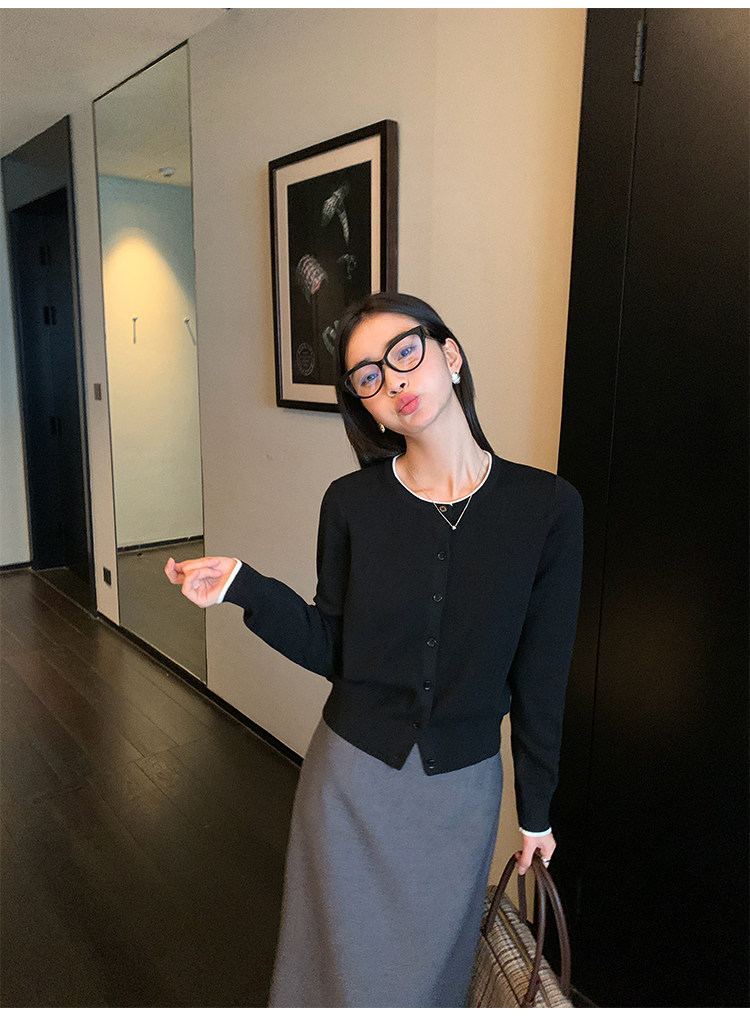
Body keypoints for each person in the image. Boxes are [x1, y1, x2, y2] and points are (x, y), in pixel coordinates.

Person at [164, 292, 583, 1008]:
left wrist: (536, 809)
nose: (393, 381)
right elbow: (333, 646)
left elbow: (541, 672)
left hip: (461, 798)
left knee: (429, 980)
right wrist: (242, 585)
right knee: (333, 975)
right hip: (350, 786)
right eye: (368, 376)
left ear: (451, 356)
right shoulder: (352, 503)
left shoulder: (547, 508)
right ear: (366, 407)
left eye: (405, 353)